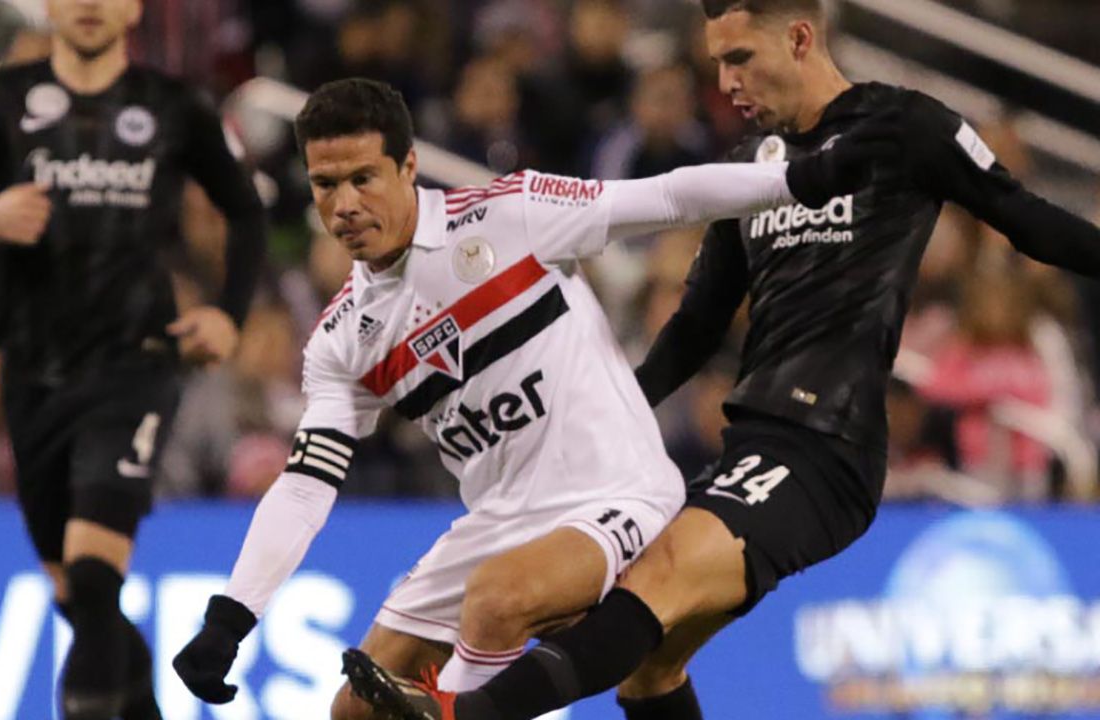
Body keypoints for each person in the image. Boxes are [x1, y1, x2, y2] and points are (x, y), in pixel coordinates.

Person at [342, 1, 1100, 718]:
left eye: (740, 57)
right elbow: (697, 324)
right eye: (716, 63)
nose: (726, 82)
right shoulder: (752, 167)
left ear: (800, 39)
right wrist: (609, 426)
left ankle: (461, 714)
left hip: (827, 448)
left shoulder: (902, 127)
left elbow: (1027, 221)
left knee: (659, 579)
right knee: (650, 665)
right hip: (751, 443)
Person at [169, 76, 894, 719]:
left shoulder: (509, 216)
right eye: (325, 185)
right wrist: (231, 617)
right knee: (354, 709)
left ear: (410, 167)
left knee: (496, 602)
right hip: (497, 523)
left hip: (616, 492)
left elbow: (668, 197)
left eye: (364, 177)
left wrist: (805, 179)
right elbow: (304, 486)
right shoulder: (340, 340)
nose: (345, 204)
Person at [0, 0, 267, 717]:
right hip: (33, 373)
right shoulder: (3, 101)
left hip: (134, 366)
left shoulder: (172, 105)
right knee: (77, 594)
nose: (88, 5)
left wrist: (228, 315)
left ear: (133, 8)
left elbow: (247, 209)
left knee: (94, 573)